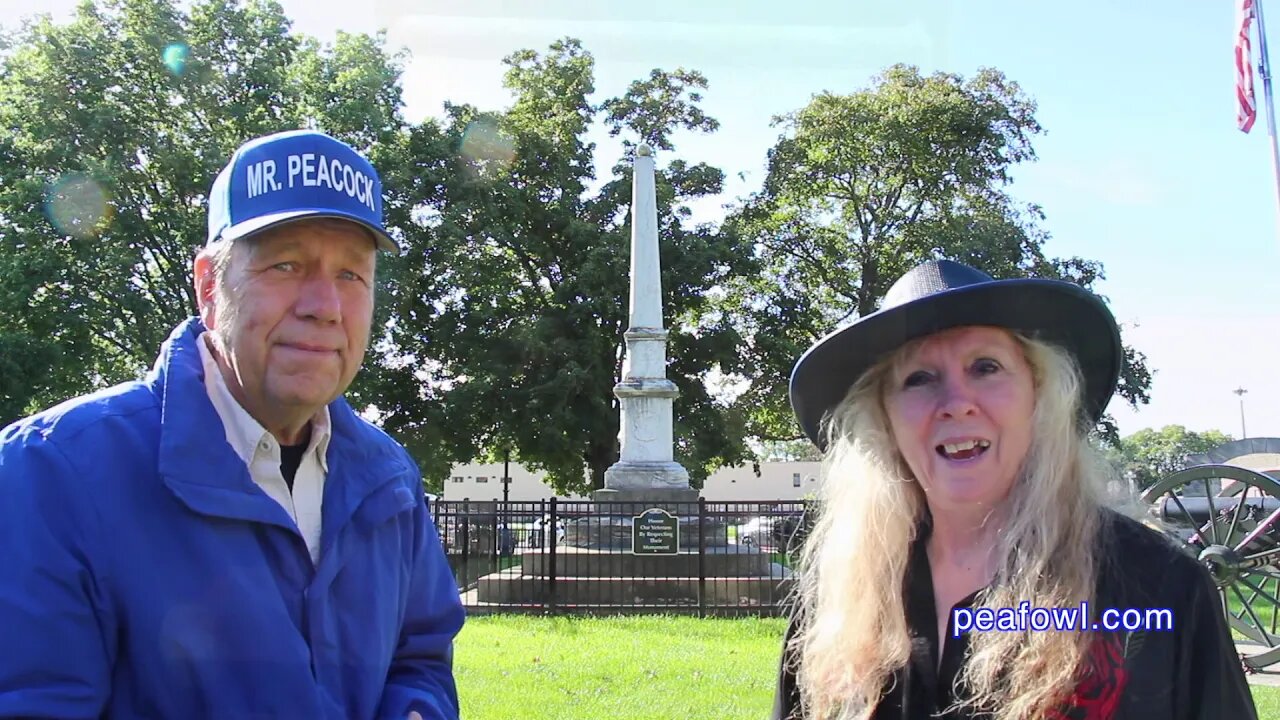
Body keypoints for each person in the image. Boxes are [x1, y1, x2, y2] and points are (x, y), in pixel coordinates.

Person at [0, 130, 465, 719]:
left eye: (351, 274)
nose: (324, 305)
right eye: (287, 264)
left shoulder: (390, 479)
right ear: (208, 286)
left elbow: (419, 657)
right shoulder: (51, 472)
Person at [772, 260, 1256, 720]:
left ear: (1038, 396)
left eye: (986, 367)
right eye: (919, 378)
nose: (956, 403)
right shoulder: (838, 602)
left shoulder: (1160, 589)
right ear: (884, 421)